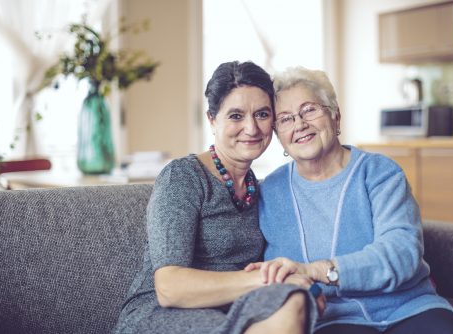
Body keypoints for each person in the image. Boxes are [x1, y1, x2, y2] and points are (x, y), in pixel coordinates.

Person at [247, 66, 453, 334]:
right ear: (278, 135)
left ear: (335, 116)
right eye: (285, 119)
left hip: (407, 307)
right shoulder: (270, 192)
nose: (300, 124)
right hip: (333, 319)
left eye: (309, 110)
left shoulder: (380, 173)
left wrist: (319, 270)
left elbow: (402, 253)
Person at [113, 61, 321, 334]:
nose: (251, 128)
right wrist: (268, 281)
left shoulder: (260, 190)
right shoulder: (184, 177)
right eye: (236, 116)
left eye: (261, 114)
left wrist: (304, 280)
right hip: (161, 314)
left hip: (231, 310)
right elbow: (169, 287)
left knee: (295, 300)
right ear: (212, 119)